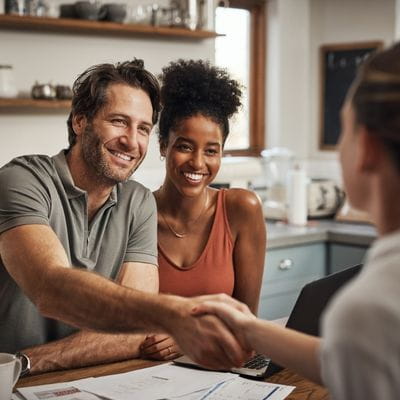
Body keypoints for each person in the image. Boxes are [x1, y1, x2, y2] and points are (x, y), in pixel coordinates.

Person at [0, 59, 249, 375]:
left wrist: (28, 361)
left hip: (68, 376)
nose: (132, 141)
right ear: (80, 121)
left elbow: (136, 329)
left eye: (143, 128)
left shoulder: (138, 201)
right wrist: (173, 312)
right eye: (118, 121)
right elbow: (50, 288)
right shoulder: (22, 180)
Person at [193, 42, 400, 399]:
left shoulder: (369, 309)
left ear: (365, 147)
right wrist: (250, 330)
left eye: (343, 130)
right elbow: (352, 359)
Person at [139, 59, 266, 361]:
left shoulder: (241, 209)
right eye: (184, 146)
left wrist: (185, 337)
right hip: (144, 371)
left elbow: (246, 325)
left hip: (221, 370)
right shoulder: (136, 213)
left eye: (211, 150)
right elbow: (122, 317)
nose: (198, 163)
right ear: (162, 145)